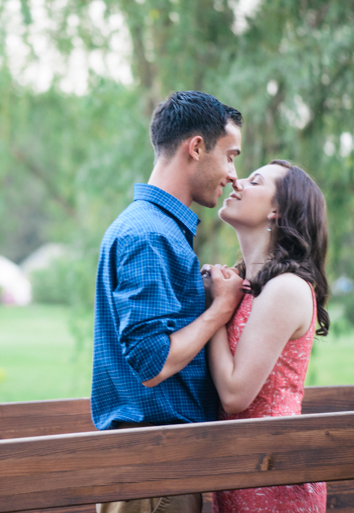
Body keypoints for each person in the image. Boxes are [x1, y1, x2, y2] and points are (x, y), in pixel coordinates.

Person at [91, 91, 247, 513]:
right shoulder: (150, 235)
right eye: (230, 156)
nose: (234, 174)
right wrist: (220, 310)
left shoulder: (157, 230)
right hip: (154, 475)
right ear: (196, 147)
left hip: (157, 468)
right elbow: (152, 362)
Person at [205, 159, 330, 513]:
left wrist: (216, 308)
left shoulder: (286, 289)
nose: (235, 181)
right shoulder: (247, 287)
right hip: (240, 469)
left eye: (254, 181)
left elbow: (234, 395)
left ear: (277, 210)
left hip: (272, 474)